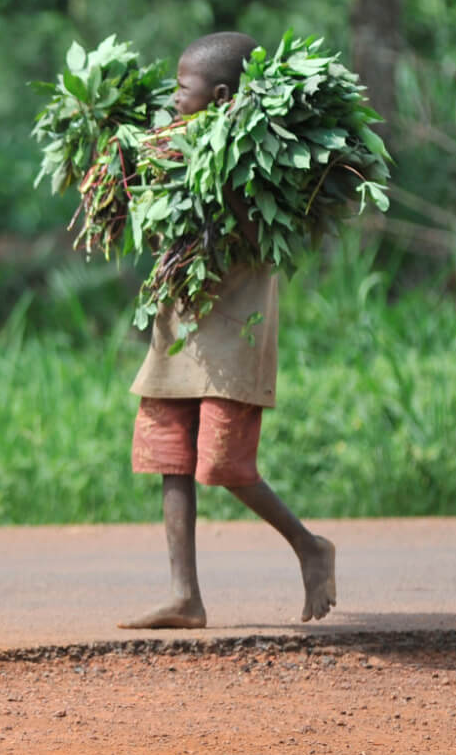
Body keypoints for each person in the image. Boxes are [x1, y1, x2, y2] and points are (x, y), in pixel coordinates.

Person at [119, 31, 337, 630]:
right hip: (180, 322)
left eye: (182, 89)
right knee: (171, 456)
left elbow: (244, 220)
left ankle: (309, 545)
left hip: (233, 329)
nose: (172, 97)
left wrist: (190, 159)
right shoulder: (176, 142)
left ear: (218, 96)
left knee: (223, 465)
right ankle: (184, 595)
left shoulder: (257, 158)